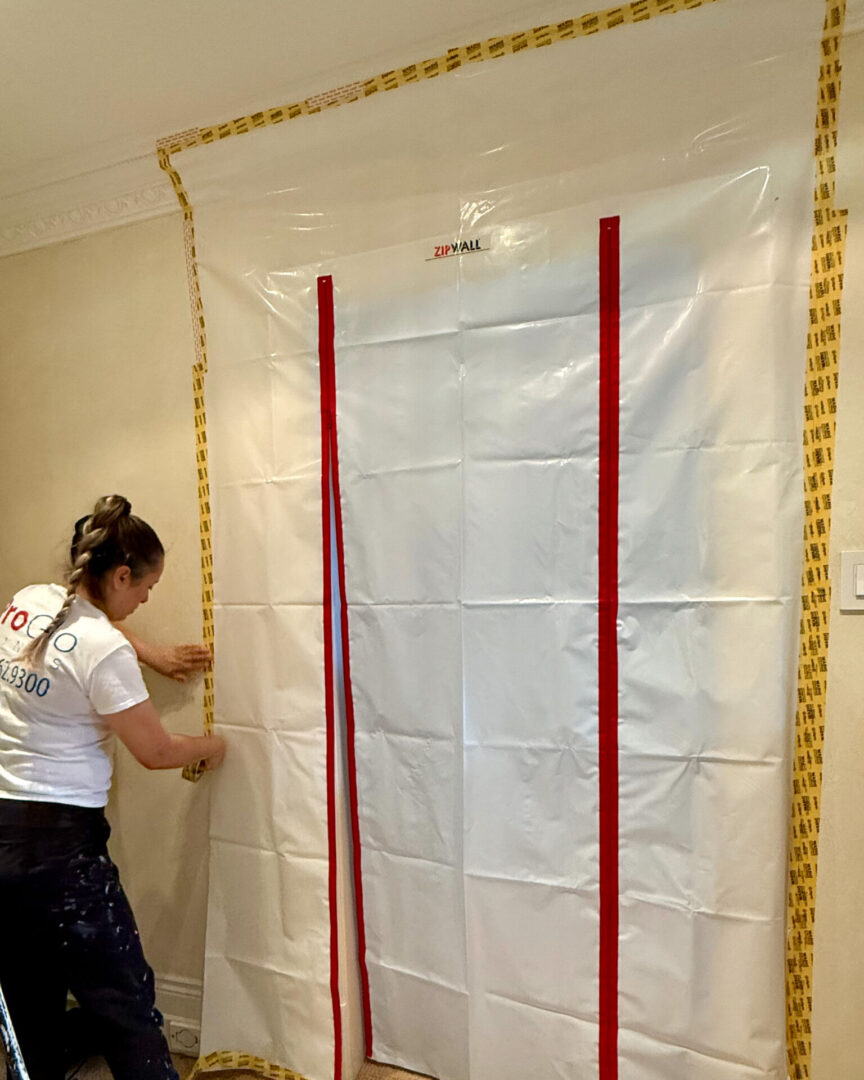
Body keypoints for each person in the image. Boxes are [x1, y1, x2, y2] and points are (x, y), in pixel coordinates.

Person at [0, 494, 226, 1080]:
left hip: (3, 832)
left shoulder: (29, 601)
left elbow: (70, 641)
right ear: (121, 574)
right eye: (145, 587)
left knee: (30, 993)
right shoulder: (103, 652)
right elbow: (154, 752)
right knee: (122, 998)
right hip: (60, 851)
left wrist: (146, 650)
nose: (147, 599)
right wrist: (217, 745)